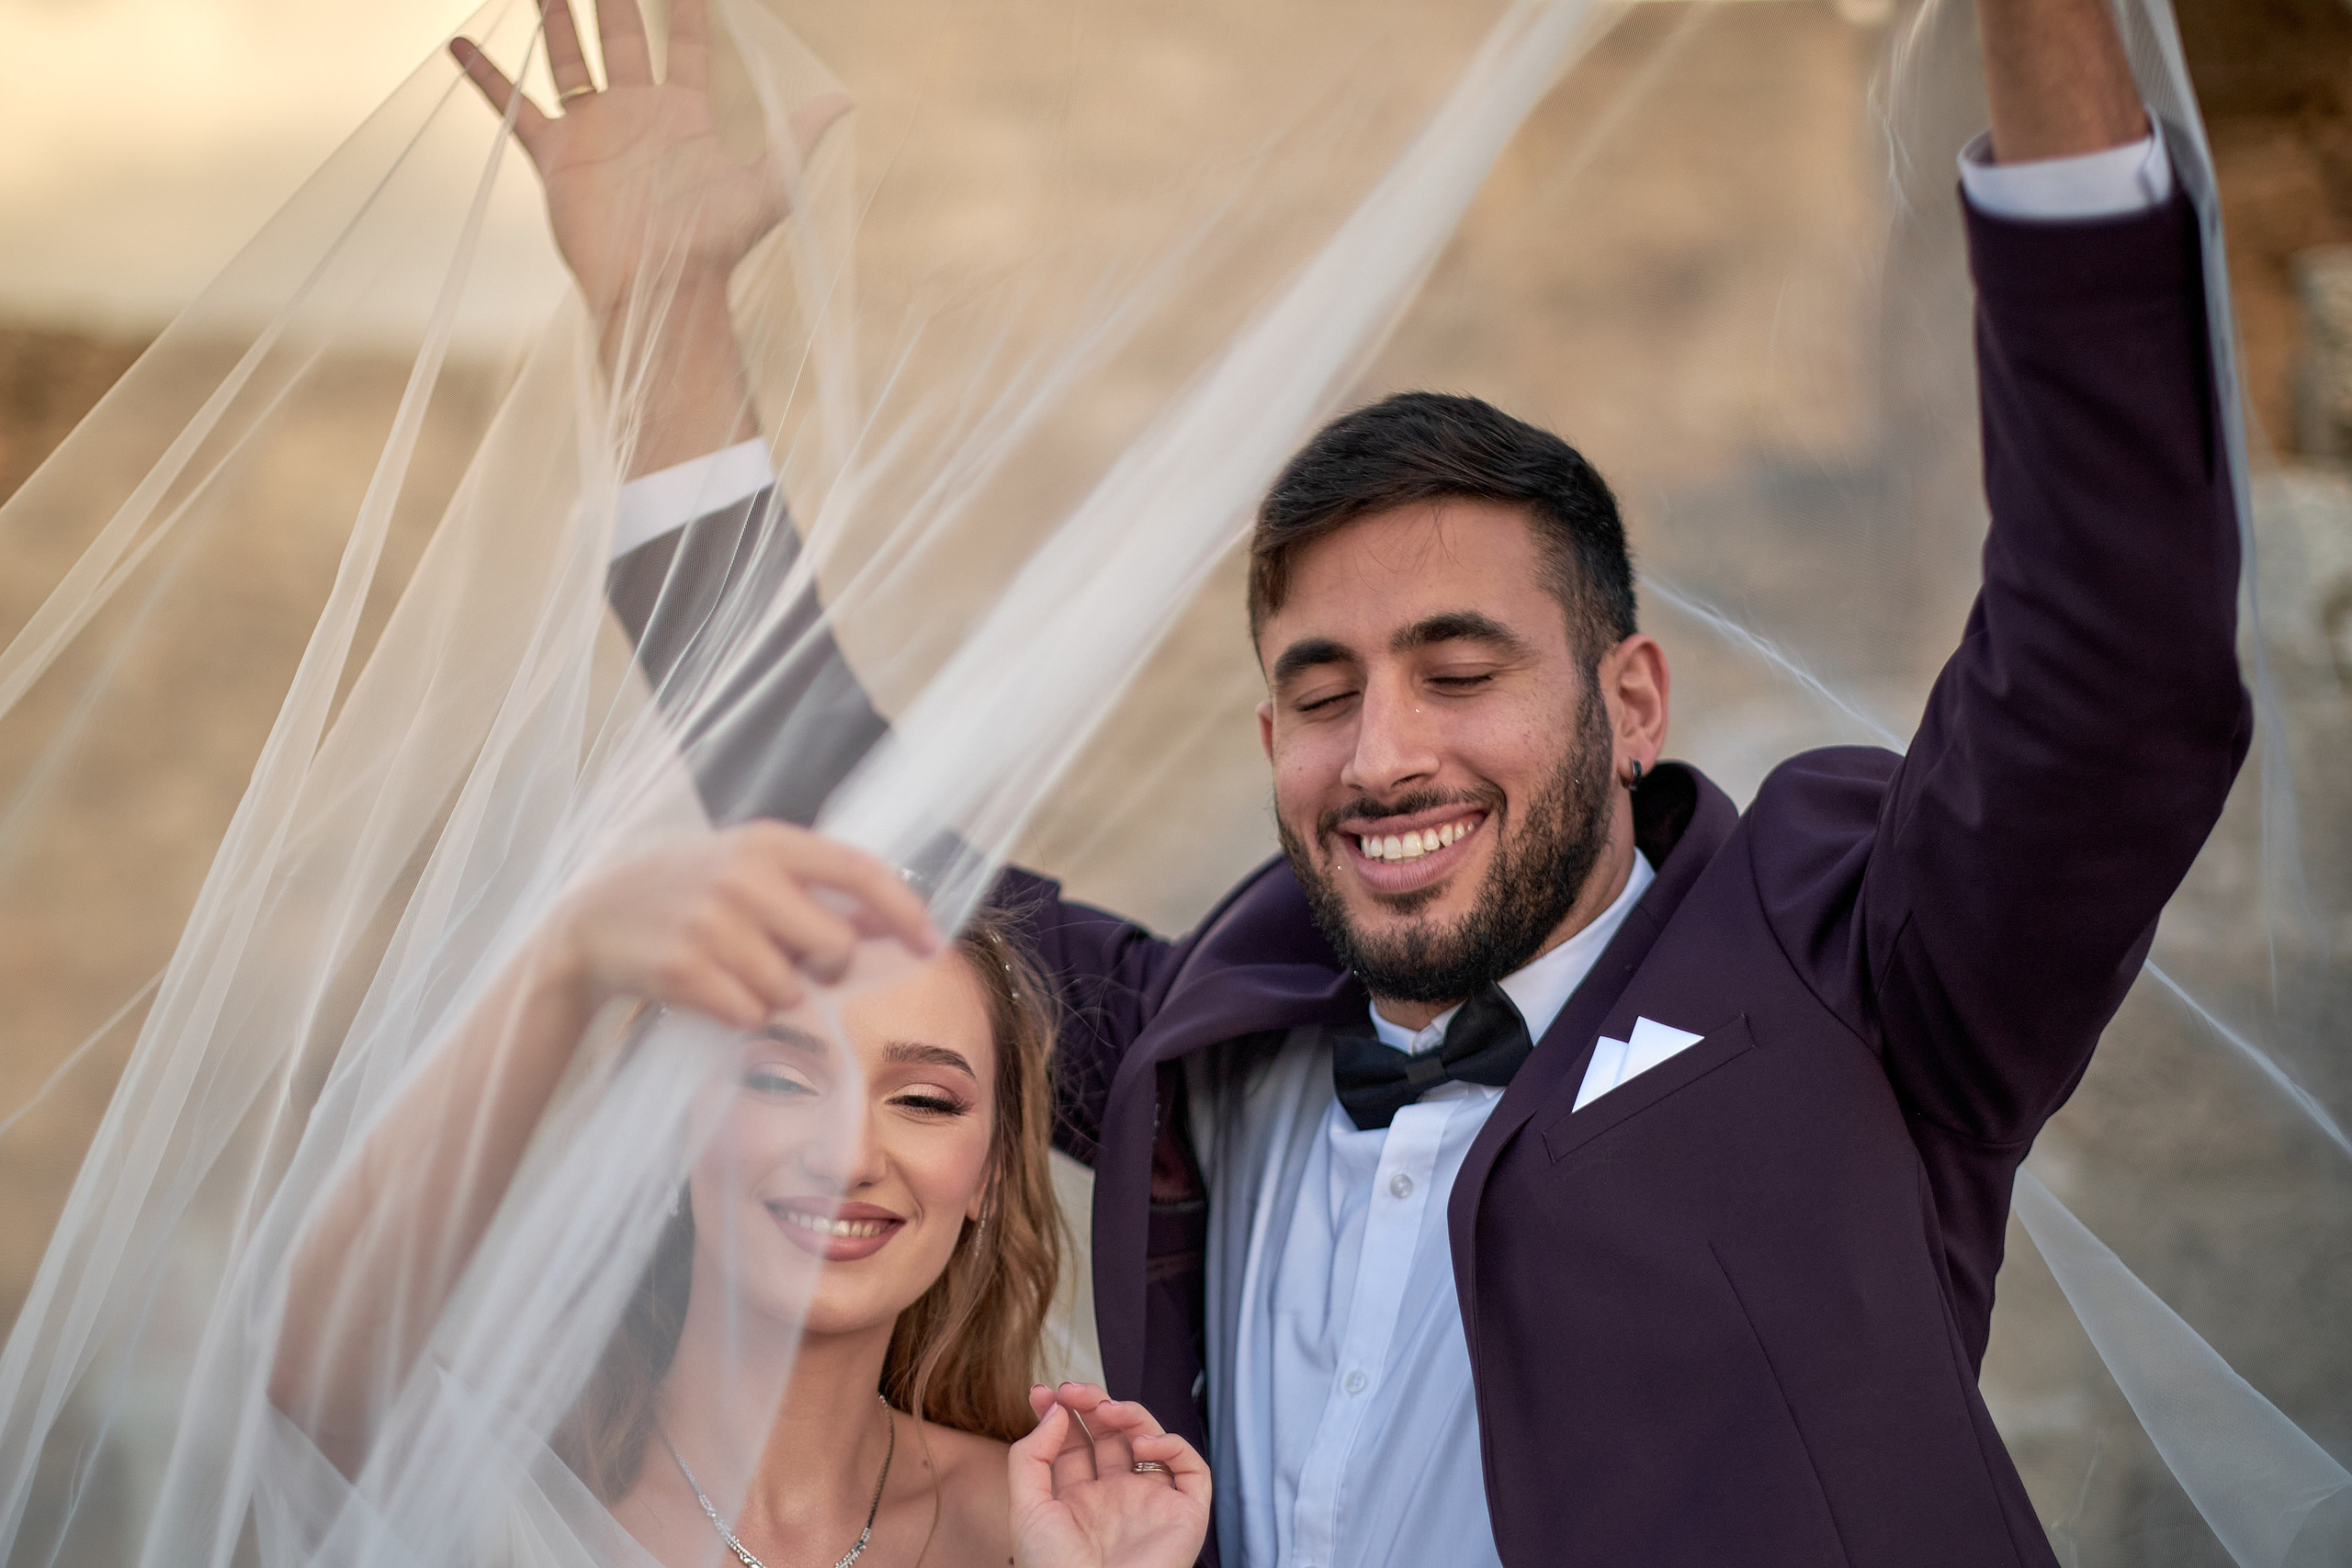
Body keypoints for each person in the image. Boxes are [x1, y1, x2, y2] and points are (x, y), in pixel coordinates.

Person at [472, 0, 2250, 1562]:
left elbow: (2117, 649)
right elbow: (837, 826)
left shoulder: (1859, 980)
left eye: (1461, 672)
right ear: (1270, 744)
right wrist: (663, 322)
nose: (1384, 749)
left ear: (1635, 700)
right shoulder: (1199, 1039)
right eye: (1321, 694)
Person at [268, 834, 1212, 1568]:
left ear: (993, 1174)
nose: (847, 1155)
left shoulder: (1041, 1527)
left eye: (923, 1100)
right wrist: (568, 964)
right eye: (777, 1080)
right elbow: (312, 1357)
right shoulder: (504, 1478)